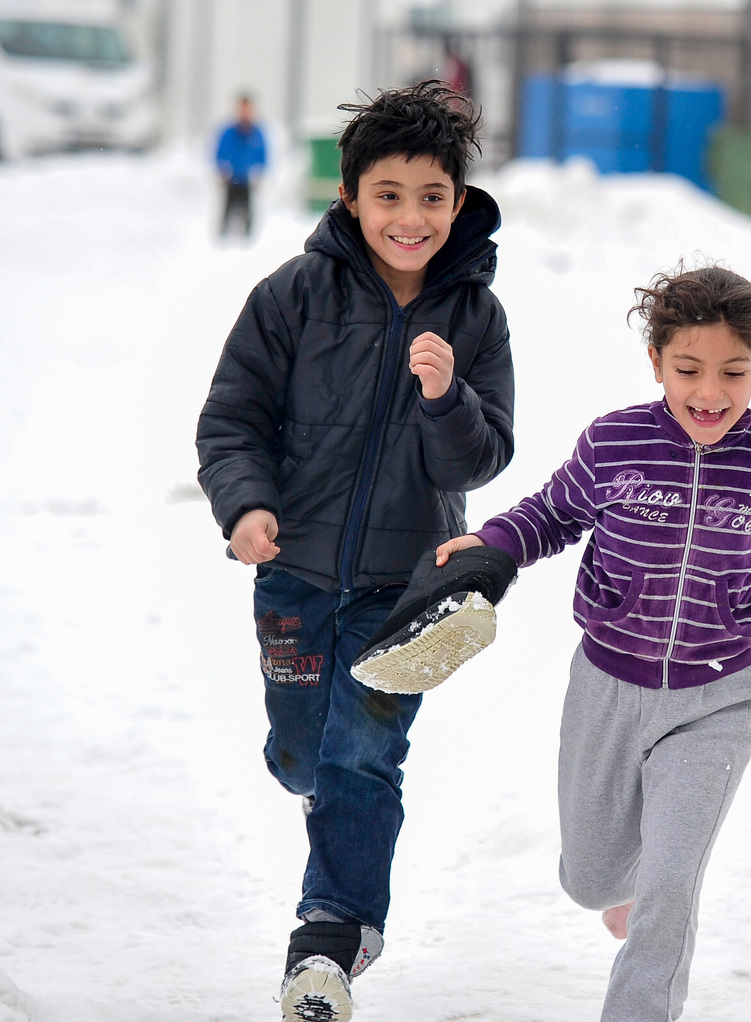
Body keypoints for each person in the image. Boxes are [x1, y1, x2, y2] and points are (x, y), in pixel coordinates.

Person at [433, 265, 751, 1022]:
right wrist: (492, 547)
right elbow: (553, 514)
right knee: (591, 880)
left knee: (670, 885)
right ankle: (622, 890)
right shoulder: (615, 442)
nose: (710, 392)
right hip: (608, 683)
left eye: (735, 372)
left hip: (719, 697)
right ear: (656, 362)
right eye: (689, 369)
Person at [195, 80, 514, 1022]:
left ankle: (326, 944)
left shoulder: (476, 318)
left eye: (431, 198)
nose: (410, 218)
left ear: (457, 204)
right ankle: (319, 794)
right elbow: (231, 418)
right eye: (388, 195)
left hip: (407, 584)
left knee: (364, 757)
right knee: (305, 757)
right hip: (292, 567)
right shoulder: (292, 296)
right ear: (349, 197)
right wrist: (245, 506)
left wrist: (447, 399)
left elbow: (486, 456)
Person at [214, 94, 266, 237]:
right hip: (231, 179)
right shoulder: (228, 133)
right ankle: (223, 237)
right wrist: (222, 170)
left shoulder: (257, 134)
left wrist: (259, 173)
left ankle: (248, 239)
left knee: (248, 212)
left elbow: (263, 156)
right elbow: (219, 154)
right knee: (227, 209)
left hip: (247, 180)